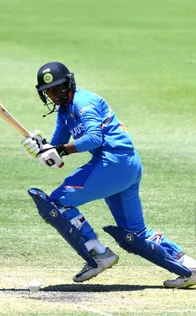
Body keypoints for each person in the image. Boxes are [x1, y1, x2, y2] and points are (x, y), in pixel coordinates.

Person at [21, 61, 196, 288]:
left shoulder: (83, 102)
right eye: (48, 91)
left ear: (69, 83)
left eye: (57, 88)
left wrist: (60, 150)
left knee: (56, 205)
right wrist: (40, 147)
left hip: (113, 163)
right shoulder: (65, 111)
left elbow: (94, 139)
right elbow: (57, 150)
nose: (54, 95)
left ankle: (98, 253)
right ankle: (188, 266)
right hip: (124, 165)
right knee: (135, 233)